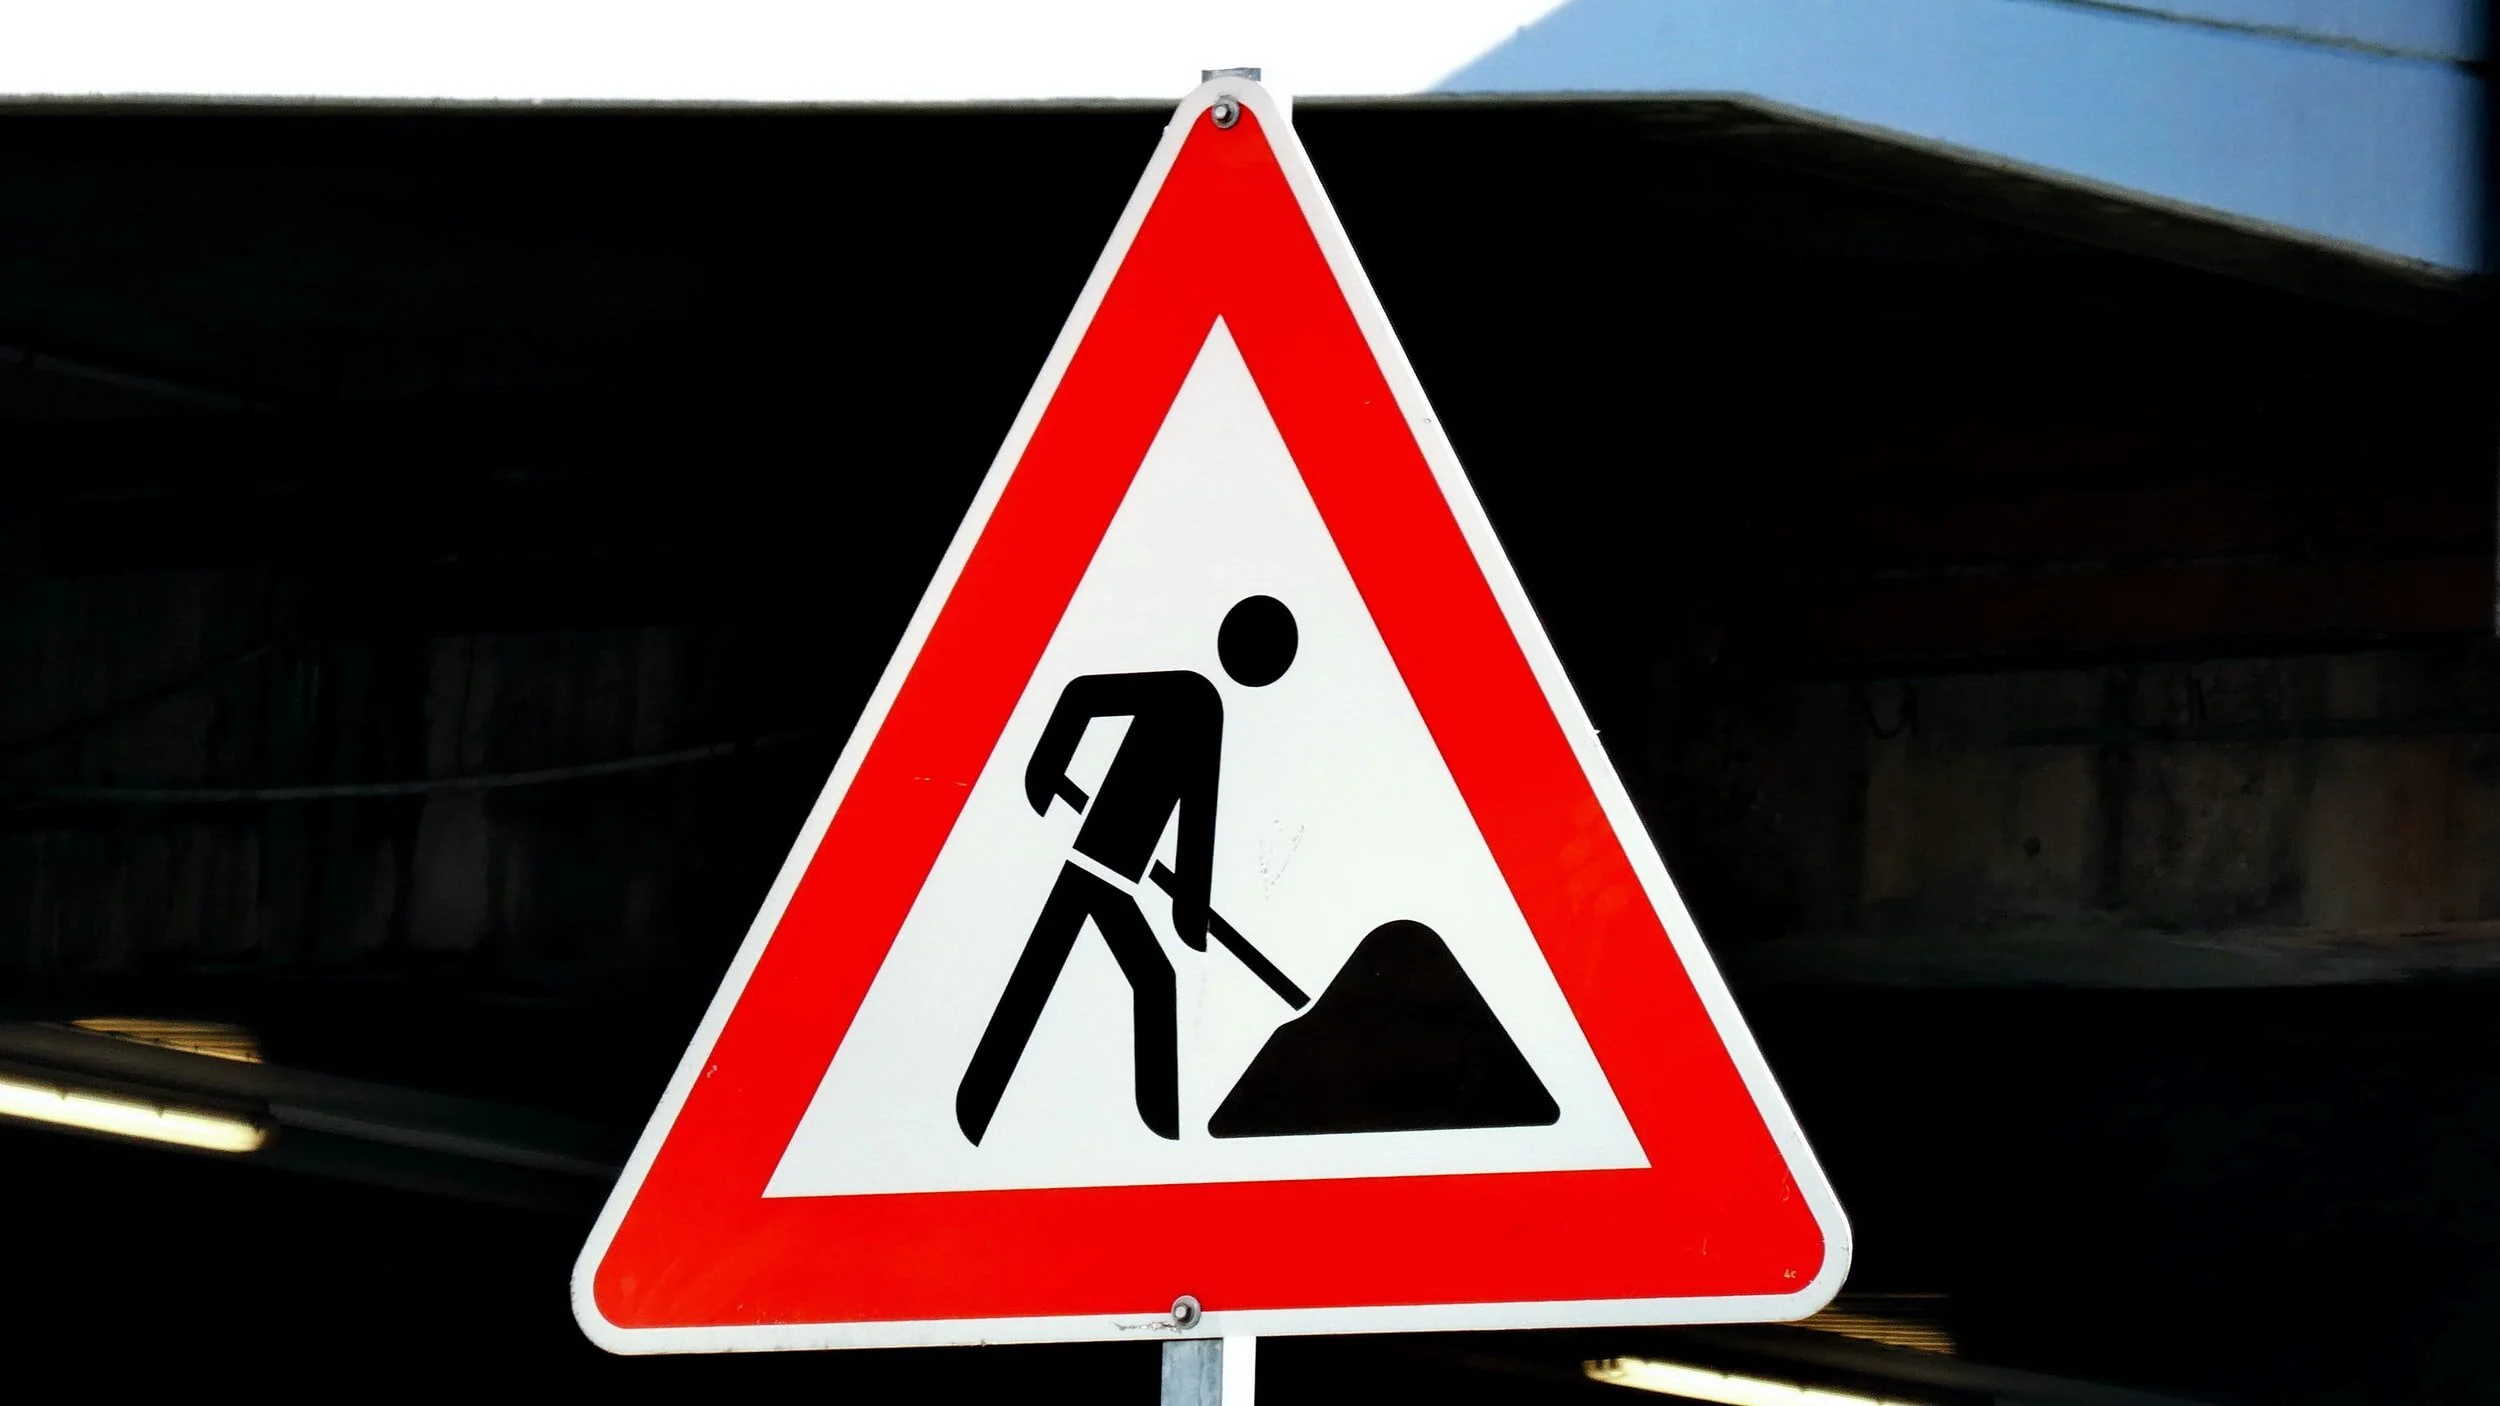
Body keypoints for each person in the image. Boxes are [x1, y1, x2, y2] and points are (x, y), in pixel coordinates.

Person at [955, 594, 1298, 1144]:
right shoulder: (1194, 698)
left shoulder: (1199, 702)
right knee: (1130, 978)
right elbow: (1084, 696)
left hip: (1112, 877)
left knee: (1072, 972)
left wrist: (1188, 910)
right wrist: (1044, 771)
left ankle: (979, 1106)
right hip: (1097, 870)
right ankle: (1159, 1129)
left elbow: (1195, 818)